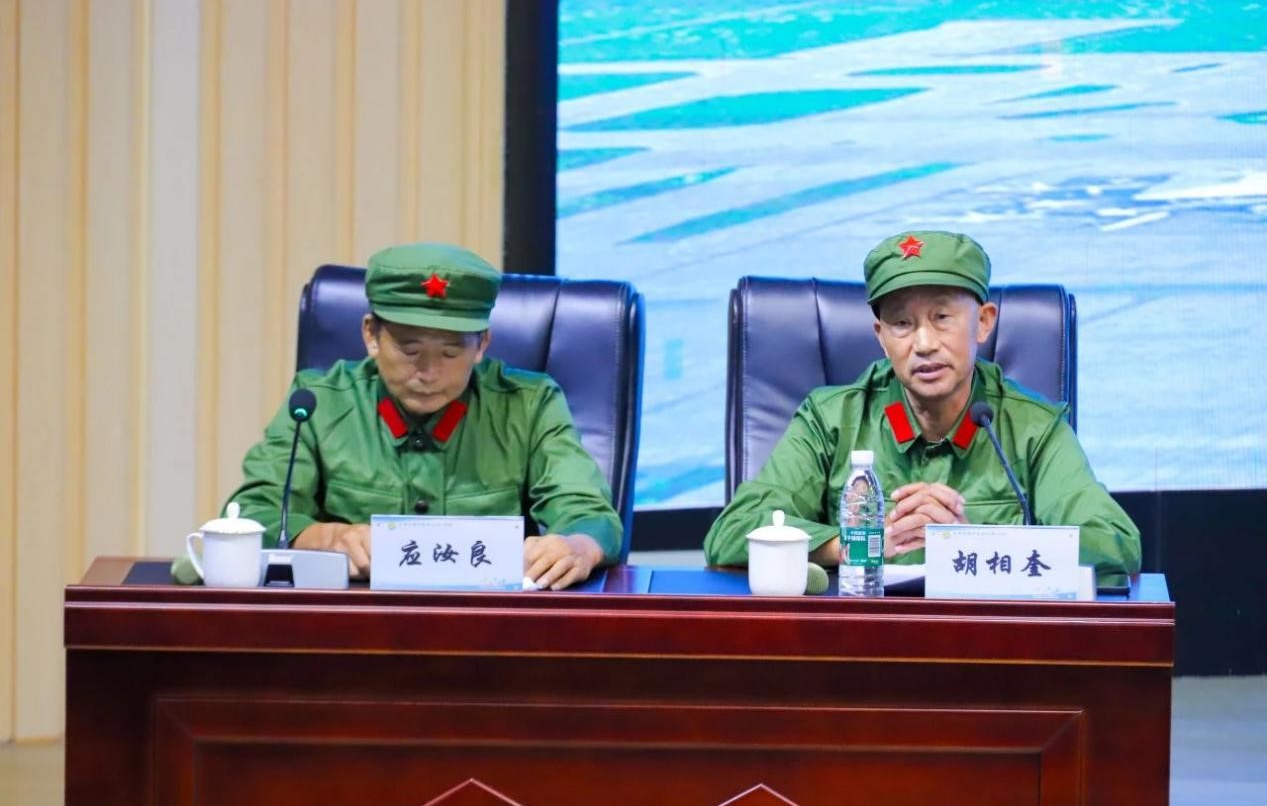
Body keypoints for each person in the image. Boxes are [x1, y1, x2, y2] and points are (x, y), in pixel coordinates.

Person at [703, 230, 1141, 576]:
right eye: (902, 323)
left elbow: (1115, 543)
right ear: (881, 337)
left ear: (983, 322)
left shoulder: (1032, 428)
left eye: (942, 318)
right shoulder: (831, 419)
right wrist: (860, 544)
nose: (925, 343)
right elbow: (732, 533)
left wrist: (971, 546)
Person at [199, 242, 622, 589]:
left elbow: (586, 511)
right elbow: (253, 512)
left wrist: (579, 545)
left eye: (451, 352)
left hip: (491, 628)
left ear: (482, 345)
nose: (428, 372)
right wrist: (321, 537)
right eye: (410, 349)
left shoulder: (529, 405)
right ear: (371, 335)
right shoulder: (318, 403)